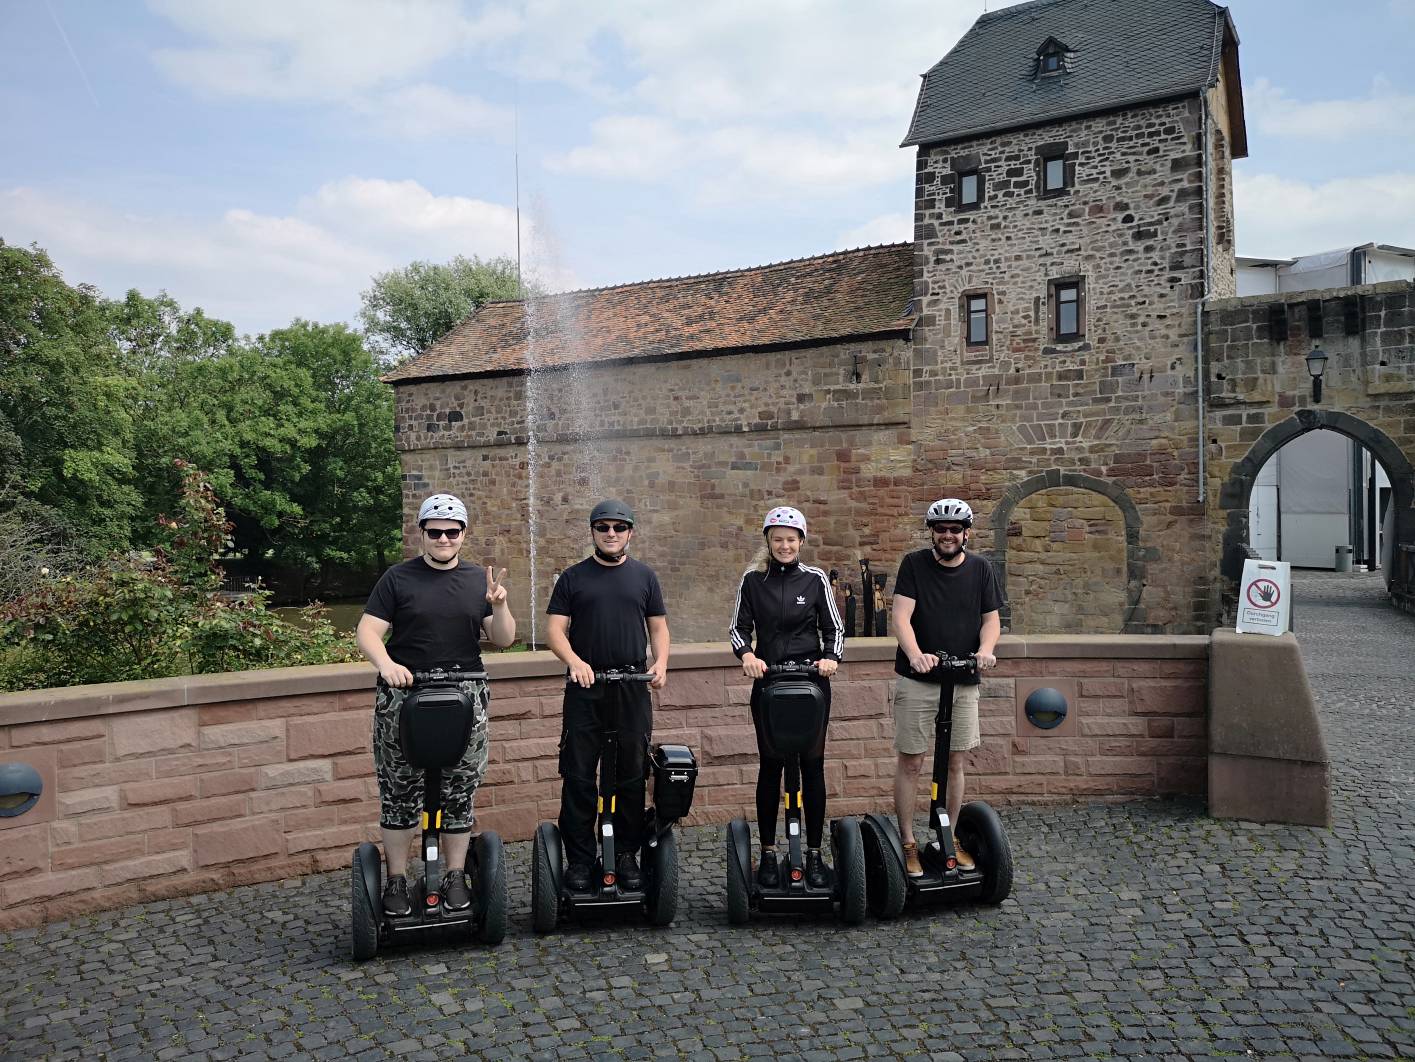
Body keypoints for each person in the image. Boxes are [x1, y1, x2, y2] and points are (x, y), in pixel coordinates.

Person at [355, 493, 515, 915]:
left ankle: (455, 875)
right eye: (435, 531)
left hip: (466, 695)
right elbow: (367, 632)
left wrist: (499, 605)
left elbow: (503, 639)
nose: (444, 538)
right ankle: (395, 879)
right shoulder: (397, 578)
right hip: (404, 695)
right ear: (422, 533)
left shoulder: (478, 580)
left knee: (459, 789)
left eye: (452, 531)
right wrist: (387, 664)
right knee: (400, 789)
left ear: (463, 533)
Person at [546, 499, 670, 892]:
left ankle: (627, 854)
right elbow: (554, 631)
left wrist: (661, 662)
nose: (611, 534)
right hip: (586, 688)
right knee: (579, 776)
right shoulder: (573, 577)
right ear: (593, 532)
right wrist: (575, 662)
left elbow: (658, 627)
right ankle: (581, 861)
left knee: (631, 775)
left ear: (630, 532)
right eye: (603, 527)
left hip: (632, 686)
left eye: (619, 527)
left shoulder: (644, 576)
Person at [729, 506, 843, 889]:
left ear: (801, 541)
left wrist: (830, 657)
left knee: (813, 765)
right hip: (769, 682)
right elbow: (738, 629)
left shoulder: (815, 579)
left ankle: (814, 853)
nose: (784, 546)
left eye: (791, 539)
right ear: (768, 541)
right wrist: (747, 656)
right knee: (771, 765)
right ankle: (767, 852)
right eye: (777, 539)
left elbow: (834, 628)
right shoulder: (753, 581)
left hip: (812, 683)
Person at [889, 497, 1001, 877]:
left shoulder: (981, 569)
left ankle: (945, 837)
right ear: (932, 532)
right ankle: (908, 842)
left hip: (963, 679)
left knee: (955, 761)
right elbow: (901, 617)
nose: (948, 535)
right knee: (912, 760)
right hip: (919, 681)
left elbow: (991, 620)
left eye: (955, 529)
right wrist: (915, 654)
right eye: (941, 529)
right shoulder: (914, 564)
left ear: (966, 533)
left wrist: (985, 650)